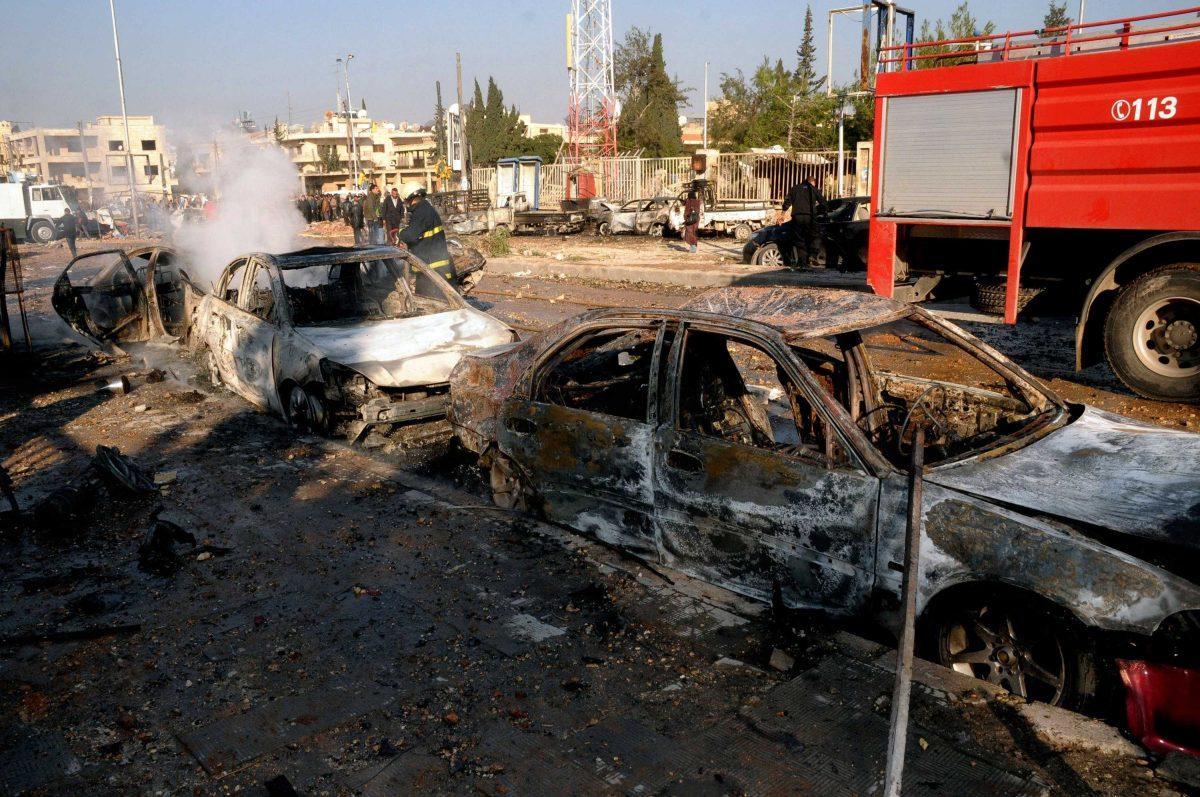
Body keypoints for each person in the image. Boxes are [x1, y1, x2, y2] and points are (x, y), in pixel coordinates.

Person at [397, 181, 453, 281]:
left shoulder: (421, 211)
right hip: (433, 266)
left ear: (410, 198)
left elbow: (410, 235)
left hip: (431, 268)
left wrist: (400, 232)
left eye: (406, 201)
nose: (406, 204)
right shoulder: (425, 208)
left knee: (429, 296)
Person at [780, 175, 827, 268]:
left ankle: (802, 262)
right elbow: (823, 202)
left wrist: (782, 215)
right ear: (813, 182)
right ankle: (812, 256)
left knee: (799, 239)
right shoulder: (813, 189)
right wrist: (825, 211)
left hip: (797, 217)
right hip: (810, 217)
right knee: (815, 236)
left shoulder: (794, 189)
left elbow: (787, 202)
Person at [682, 186, 702, 254]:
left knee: (689, 233)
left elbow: (683, 203)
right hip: (696, 219)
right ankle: (694, 247)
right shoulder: (698, 201)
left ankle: (693, 248)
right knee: (694, 232)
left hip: (690, 219)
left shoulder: (688, 201)